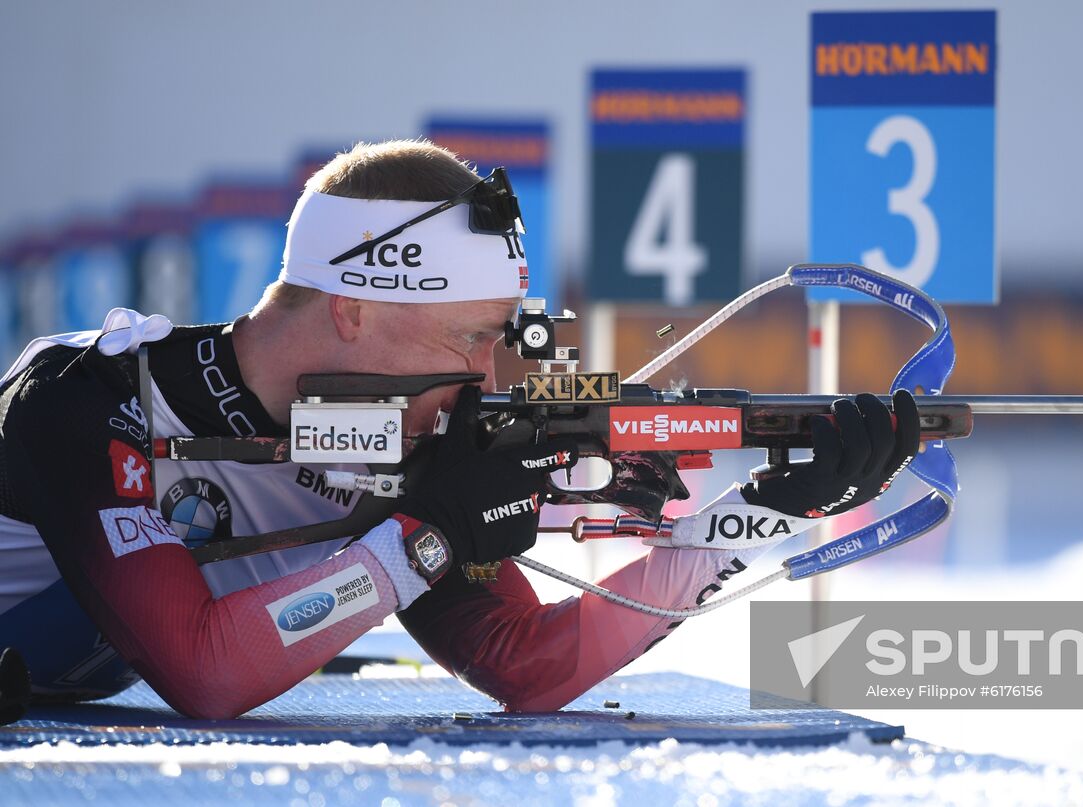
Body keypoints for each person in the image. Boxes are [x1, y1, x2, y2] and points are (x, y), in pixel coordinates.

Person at [0, 140, 920, 721]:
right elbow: (203, 671)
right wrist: (425, 540)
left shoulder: (392, 447)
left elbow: (527, 665)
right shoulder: (80, 399)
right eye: (469, 340)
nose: (487, 380)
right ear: (355, 310)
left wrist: (748, 520)